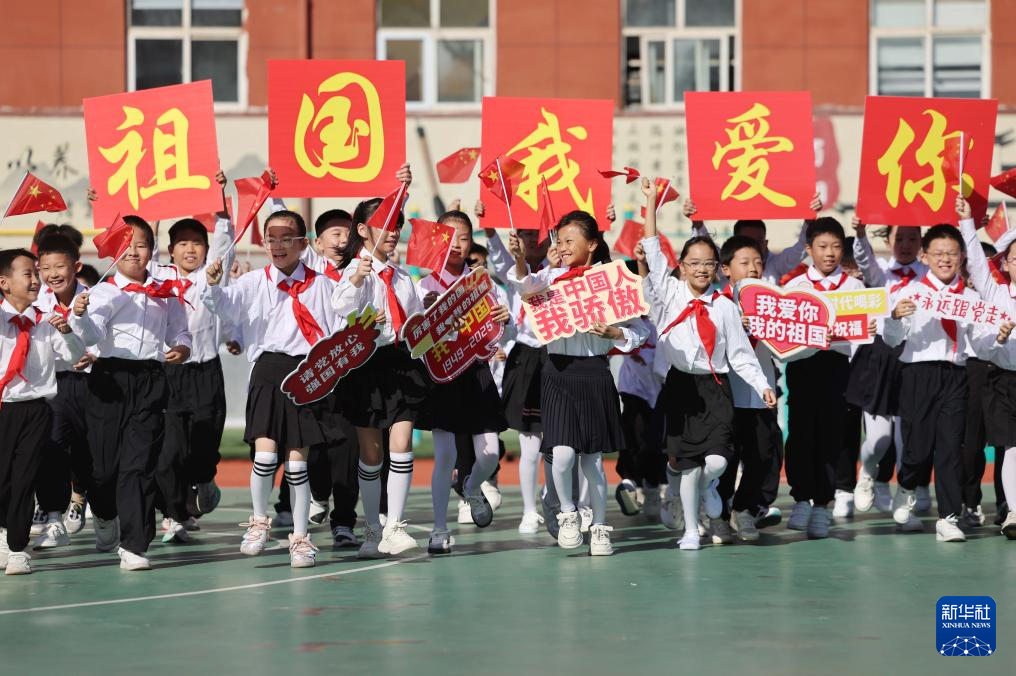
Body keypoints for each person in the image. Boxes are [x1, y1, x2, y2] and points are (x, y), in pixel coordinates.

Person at [202, 208, 342, 567]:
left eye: (286, 239)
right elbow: (223, 308)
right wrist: (214, 284)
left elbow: (342, 324)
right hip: (267, 370)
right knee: (264, 457)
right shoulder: (253, 283)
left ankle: (300, 538)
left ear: (303, 244)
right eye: (271, 239)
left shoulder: (323, 284)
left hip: (306, 374)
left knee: (297, 465)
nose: (278, 246)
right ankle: (259, 522)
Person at [641, 179, 775, 550]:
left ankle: (709, 486)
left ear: (717, 268)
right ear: (682, 267)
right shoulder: (669, 293)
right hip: (681, 388)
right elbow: (652, 248)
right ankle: (690, 530)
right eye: (694, 263)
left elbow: (741, 355)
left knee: (715, 462)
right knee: (687, 465)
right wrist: (650, 203)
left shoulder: (725, 307)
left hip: (716, 389)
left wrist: (763, 385)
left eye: (708, 264)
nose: (701, 269)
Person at [508, 211, 649, 556]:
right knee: (561, 452)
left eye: (571, 240)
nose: (563, 247)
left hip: (595, 373)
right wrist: (521, 260)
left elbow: (641, 330)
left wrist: (615, 333)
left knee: (593, 461)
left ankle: (599, 527)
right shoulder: (551, 276)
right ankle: (568, 513)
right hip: (557, 372)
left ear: (593, 244)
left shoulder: (612, 280)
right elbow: (526, 287)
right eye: (560, 241)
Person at [70, 217, 192, 570]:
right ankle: (104, 513)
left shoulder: (166, 291)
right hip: (109, 379)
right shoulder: (103, 292)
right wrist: (81, 315)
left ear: (151, 250)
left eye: (141, 245)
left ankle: (134, 545)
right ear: (114, 250)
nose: (134, 252)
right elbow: (92, 336)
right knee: (103, 469)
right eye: (126, 245)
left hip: (151, 379)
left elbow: (180, 332)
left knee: (139, 465)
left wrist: (181, 348)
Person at [332, 164, 430, 558]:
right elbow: (341, 308)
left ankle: (395, 525)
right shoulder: (354, 272)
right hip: (365, 364)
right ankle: (372, 528)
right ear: (362, 230)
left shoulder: (403, 277)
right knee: (371, 454)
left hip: (401, 363)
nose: (392, 232)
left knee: (402, 443)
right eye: (385, 225)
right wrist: (358, 278)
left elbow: (415, 322)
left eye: (397, 225)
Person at [883, 219, 997, 542]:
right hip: (918, 374)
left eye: (952, 253)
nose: (945, 259)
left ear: (961, 257)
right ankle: (906, 486)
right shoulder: (910, 293)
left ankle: (948, 517)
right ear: (925, 257)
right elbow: (892, 340)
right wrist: (894, 318)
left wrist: (999, 338)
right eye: (938, 253)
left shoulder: (971, 298)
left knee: (950, 447)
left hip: (956, 375)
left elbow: (980, 343)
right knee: (918, 449)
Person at [415, 209, 510, 554]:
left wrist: (505, 318)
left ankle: (471, 487)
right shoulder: (424, 285)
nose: (456, 244)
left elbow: (500, 328)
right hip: (442, 375)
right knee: (445, 455)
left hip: (476, 373)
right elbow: (414, 340)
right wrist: (425, 314)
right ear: (436, 241)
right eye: (448, 238)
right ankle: (439, 529)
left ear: (472, 243)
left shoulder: (483, 282)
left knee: (490, 454)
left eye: (464, 238)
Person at [153, 171, 236, 542]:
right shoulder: (158, 277)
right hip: (170, 374)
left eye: (197, 243)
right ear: (170, 250)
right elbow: (139, 242)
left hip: (206, 373)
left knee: (203, 447)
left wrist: (219, 196)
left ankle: (202, 480)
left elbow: (225, 239)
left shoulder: (211, 276)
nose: (190, 249)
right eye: (183, 243)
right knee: (169, 450)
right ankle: (173, 513)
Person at [0, 248, 85, 575]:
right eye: (28, 274)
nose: (36, 280)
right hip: (2, 407)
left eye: (36, 274)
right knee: (3, 480)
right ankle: (4, 531)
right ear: (5, 283)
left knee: (24, 479)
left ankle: (18, 548)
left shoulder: (45, 321)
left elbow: (75, 356)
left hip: (36, 410)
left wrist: (66, 331)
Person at [781, 217, 865, 539]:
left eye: (836, 247)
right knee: (801, 433)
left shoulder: (854, 287)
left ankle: (822, 505)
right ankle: (801, 499)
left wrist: (867, 330)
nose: (829, 253)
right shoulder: (795, 288)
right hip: (803, 366)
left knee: (832, 435)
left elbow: (864, 332)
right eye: (822, 246)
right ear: (809, 248)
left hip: (838, 367)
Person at [850, 220, 927, 518]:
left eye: (912, 238)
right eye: (899, 238)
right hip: (881, 357)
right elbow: (864, 261)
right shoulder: (880, 272)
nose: (905, 245)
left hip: (916, 357)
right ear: (888, 241)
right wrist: (860, 234)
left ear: (921, 242)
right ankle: (867, 472)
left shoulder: (930, 275)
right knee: (878, 440)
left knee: (907, 441)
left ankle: (903, 500)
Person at [716, 235, 783, 542]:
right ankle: (718, 514)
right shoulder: (717, 303)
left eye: (757, 262)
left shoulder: (775, 303)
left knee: (762, 455)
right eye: (744, 263)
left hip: (761, 393)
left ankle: (744, 510)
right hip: (728, 393)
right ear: (726, 269)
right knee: (725, 460)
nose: (753, 268)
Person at [957, 196, 1016, 538]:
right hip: (1001, 379)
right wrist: (967, 222)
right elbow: (977, 261)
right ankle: (1012, 513)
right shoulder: (994, 292)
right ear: (1005, 262)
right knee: (1011, 446)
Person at [33, 234, 93, 548]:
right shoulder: (37, 300)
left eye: (60, 266)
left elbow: (107, 336)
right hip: (54, 384)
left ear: (76, 266)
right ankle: (54, 517)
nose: (53, 274)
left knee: (87, 452)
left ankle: (82, 497)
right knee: (53, 448)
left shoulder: (95, 296)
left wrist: (94, 355)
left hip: (91, 384)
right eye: (46, 268)